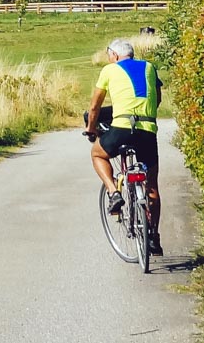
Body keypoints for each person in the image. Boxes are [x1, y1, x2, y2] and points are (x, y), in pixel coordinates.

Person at [86, 38, 164, 256]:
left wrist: (91, 129)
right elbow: (158, 98)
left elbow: (95, 106)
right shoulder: (149, 67)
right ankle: (154, 238)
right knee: (152, 186)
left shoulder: (109, 70)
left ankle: (113, 192)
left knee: (97, 154)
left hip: (121, 127)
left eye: (109, 54)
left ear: (115, 56)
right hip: (148, 130)